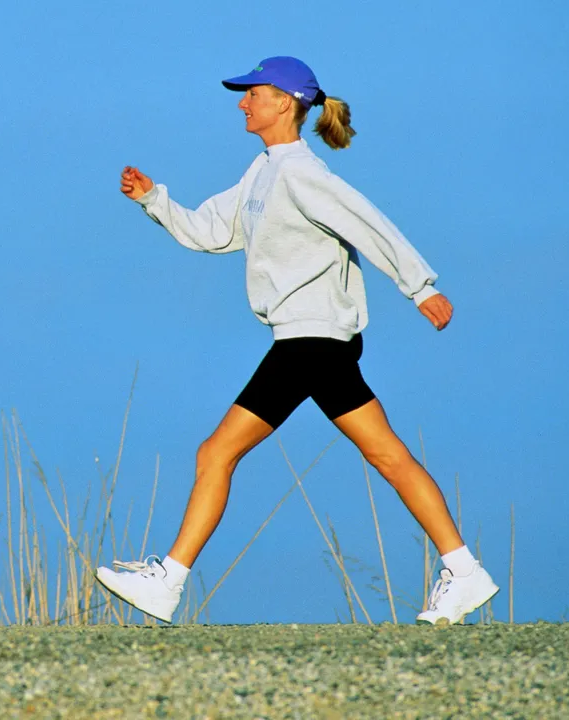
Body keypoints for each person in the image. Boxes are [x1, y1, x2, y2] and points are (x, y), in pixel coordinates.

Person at [95, 56, 498, 625]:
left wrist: (420, 287)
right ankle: (464, 569)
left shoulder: (302, 174)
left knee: (217, 452)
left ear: (285, 102)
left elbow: (368, 223)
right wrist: (153, 200)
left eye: (252, 93)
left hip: (310, 338)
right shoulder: (262, 172)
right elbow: (213, 231)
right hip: (315, 340)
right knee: (387, 455)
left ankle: (169, 579)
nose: (242, 102)